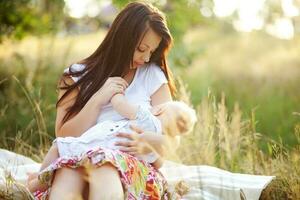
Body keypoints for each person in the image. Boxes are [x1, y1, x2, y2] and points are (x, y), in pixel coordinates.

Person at [30, 2, 180, 199]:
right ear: (121, 40)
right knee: (68, 169)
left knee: (103, 164)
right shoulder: (76, 75)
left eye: (151, 51)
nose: (145, 58)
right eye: (141, 49)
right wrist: (97, 99)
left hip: (132, 168)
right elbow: (65, 135)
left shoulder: (151, 75)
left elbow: (173, 137)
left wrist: (151, 142)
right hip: (80, 158)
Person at [26, 99, 197, 193]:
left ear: (159, 110)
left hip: (97, 146)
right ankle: (41, 179)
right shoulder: (154, 147)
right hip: (115, 163)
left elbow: (122, 107)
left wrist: (115, 96)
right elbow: (159, 163)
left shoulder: (147, 117)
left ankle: (37, 182)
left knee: (60, 146)